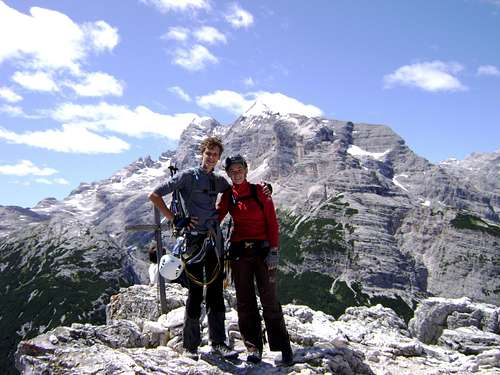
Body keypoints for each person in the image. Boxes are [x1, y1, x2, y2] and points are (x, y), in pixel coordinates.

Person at [149, 136, 235, 360]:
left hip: (213, 241)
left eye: (215, 155)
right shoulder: (187, 176)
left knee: (216, 291)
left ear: (218, 158)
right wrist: (175, 219)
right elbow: (155, 194)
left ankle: (218, 343)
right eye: (208, 153)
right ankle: (190, 346)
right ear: (202, 153)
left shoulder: (218, 180)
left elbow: (233, 189)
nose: (211, 157)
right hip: (193, 243)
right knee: (196, 293)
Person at [217, 154, 294, 366]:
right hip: (240, 254)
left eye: (239, 169)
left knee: (269, 300)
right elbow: (216, 217)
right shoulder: (228, 196)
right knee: (245, 301)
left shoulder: (261, 191)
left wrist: (274, 251)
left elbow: (272, 222)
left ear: (246, 169)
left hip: (262, 252)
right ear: (228, 174)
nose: (236, 173)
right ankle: (253, 348)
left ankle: (283, 347)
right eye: (232, 170)